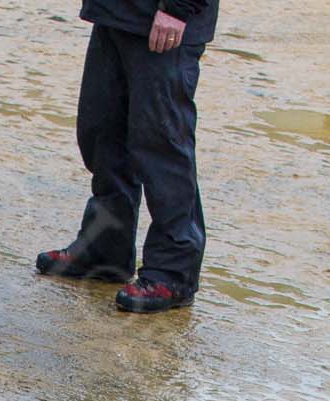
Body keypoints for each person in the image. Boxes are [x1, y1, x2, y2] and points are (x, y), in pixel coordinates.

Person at [34, 0, 217, 313]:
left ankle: (173, 273)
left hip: (165, 18)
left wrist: (177, 7)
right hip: (116, 12)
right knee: (102, 132)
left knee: (162, 147)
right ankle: (106, 247)